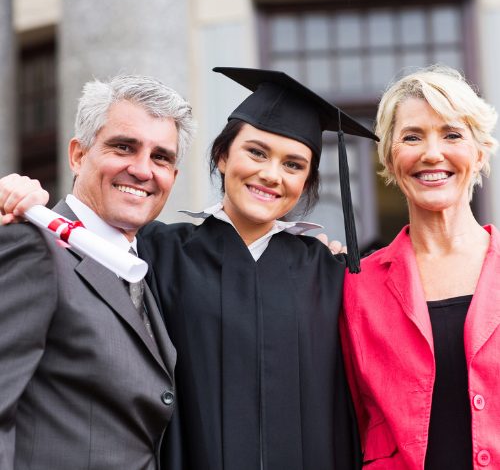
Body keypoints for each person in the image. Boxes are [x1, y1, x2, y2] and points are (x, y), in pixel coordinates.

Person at [1, 67, 378, 470]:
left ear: (307, 180)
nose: (270, 174)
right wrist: (23, 202)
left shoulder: (332, 273)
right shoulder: (155, 251)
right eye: (255, 151)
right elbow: (87, 223)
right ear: (221, 155)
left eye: (294, 164)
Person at [0, 74, 196, 470]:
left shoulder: (145, 270)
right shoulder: (31, 245)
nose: (143, 170)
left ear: (173, 177)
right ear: (77, 155)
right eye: (124, 147)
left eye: (162, 157)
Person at [339, 65, 499, 469]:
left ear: (479, 154)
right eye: (412, 136)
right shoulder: (355, 286)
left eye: (451, 134)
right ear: (390, 160)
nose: (432, 153)